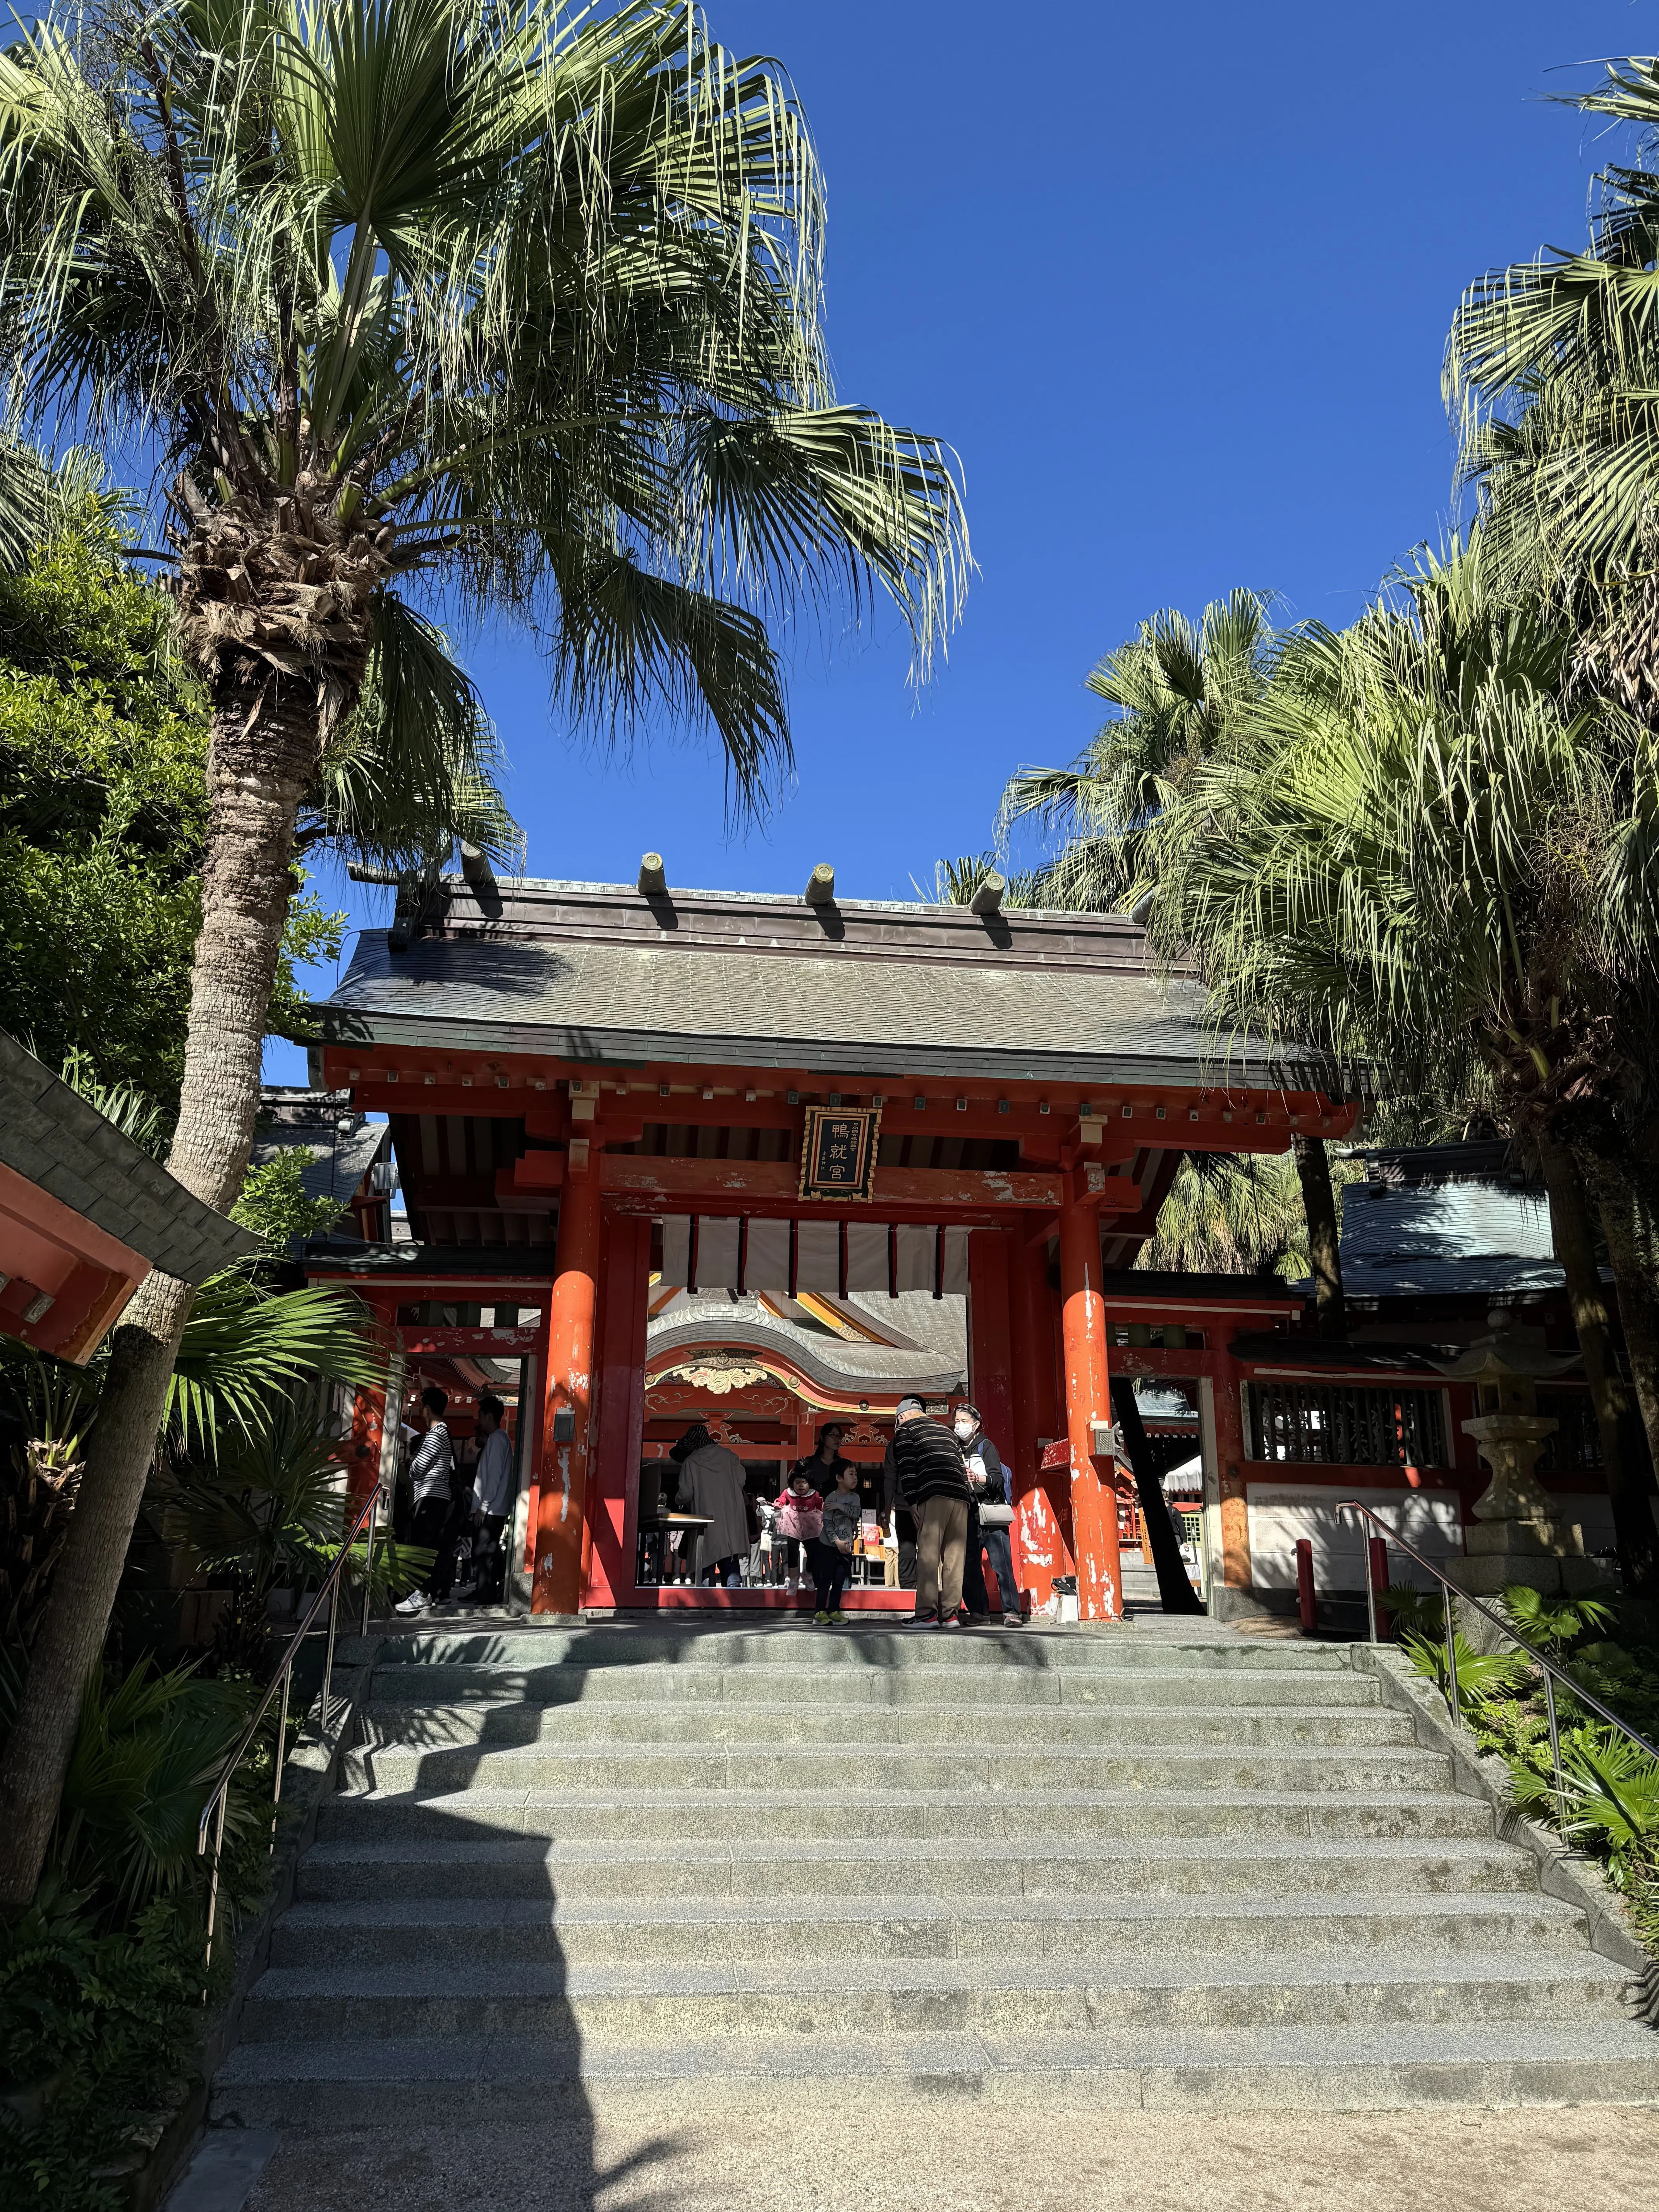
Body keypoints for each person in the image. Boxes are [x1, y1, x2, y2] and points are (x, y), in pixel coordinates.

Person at [889, 1395, 970, 1629]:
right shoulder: (946, 1430)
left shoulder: (906, 1429)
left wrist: (912, 1501)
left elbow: (908, 1466)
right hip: (960, 1496)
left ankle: (927, 1614)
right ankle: (951, 1614)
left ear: (901, 1416)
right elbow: (960, 1463)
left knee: (928, 1555)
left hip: (932, 1494)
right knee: (955, 1558)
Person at [955, 1402, 1023, 1626]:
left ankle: (1012, 1612)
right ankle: (979, 1612)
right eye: (957, 1421)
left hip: (990, 1513)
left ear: (976, 1425)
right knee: (969, 1566)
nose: (959, 1426)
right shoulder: (956, 1449)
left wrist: (978, 1478)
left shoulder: (986, 1446)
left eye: (964, 1421)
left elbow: (998, 1479)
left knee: (1001, 1566)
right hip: (968, 1514)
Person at [395, 1386, 455, 1616]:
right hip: (436, 1497)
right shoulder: (443, 1432)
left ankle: (421, 1594)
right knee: (428, 1546)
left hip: (430, 1495)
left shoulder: (437, 1432)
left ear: (427, 1409)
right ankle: (425, 1594)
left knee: (423, 1547)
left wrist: (410, 1463)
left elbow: (418, 1467)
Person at [673, 1424, 752, 1587]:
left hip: (705, 1521)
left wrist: (678, 1501)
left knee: (705, 1562)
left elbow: (685, 1494)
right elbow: (741, 1481)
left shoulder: (691, 1462)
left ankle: (706, 1603)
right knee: (730, 1562)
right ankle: (733, 1603)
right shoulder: (730, 1456)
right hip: (730, 1519)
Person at [469, 1392, 514, 1604]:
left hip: (491, 1508)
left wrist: (483, 1506)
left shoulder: (497, 1439)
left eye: (480, 1416)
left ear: (488, 1416)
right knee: (488, 1550)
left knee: (483, 1551)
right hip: (496, 1507)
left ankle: (484, 1593)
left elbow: (493, 1476)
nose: (479, 1420)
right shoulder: (501, 1439)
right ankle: (484, 1590)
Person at [813, 1463, 863, 1624]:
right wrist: (837, 1542)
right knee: (825, 1580)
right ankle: (819, 1612)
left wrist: (839, 1507)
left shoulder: (855, 1498)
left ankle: (834, 1610)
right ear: (839, 1478)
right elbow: (827, 1524)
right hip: (829, 1546)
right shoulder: (830, 1498)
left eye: (856, 1474)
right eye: (851, 1474)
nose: (855, 1478)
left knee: (840, 1581)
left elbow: (856, 1513)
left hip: (847, 1547)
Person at [795, 1421, 853, 1496]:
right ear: (823, 1438)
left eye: (839, 1436)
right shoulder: (810, 1463)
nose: (837, 1439)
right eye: (833, 1436)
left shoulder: (842, 1465)